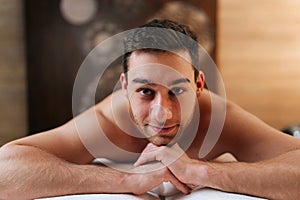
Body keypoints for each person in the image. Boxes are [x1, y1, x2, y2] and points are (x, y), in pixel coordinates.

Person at [0, 19, 300, 200]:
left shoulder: (219, 118)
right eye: (145, 92)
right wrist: (126, 180)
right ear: (125, 87)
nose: (163, 113)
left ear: (198, 85)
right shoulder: (107, 123)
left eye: (177, 91)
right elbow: (5, 170)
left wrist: (204, 170)